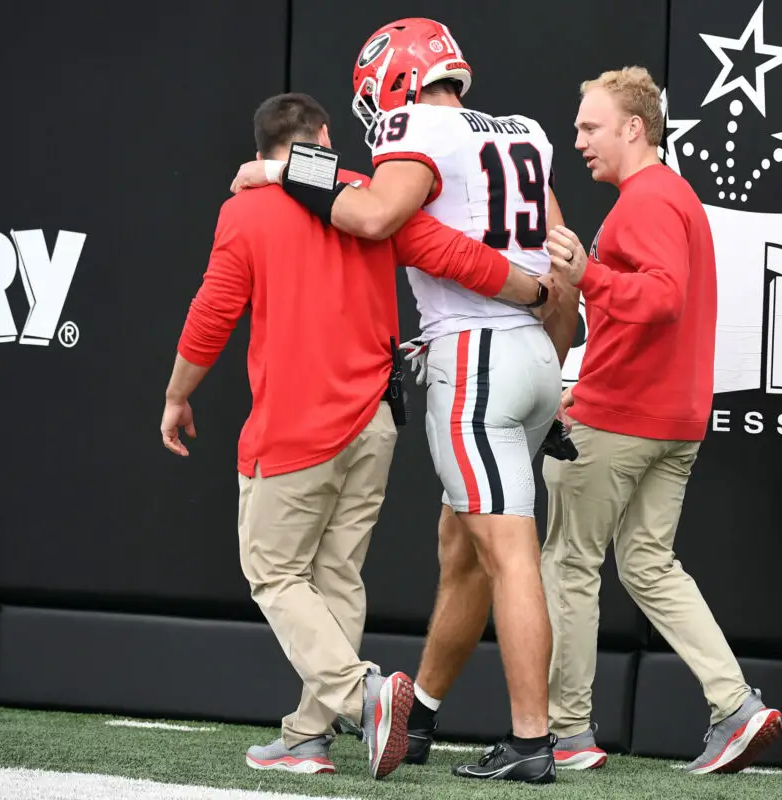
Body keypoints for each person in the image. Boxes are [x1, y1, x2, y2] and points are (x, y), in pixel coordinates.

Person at [161, 92, 557, 781]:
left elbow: (214, 310)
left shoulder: (247, 208)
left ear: (261, 151)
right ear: (321, 137)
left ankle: (362, 696)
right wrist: (536, 292)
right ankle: (309, 736)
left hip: (293, 423)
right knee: (337, 576)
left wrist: (177, 394)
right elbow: (456, 255)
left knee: (276, 573)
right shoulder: (368, 198)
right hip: (374, 422)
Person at [540, 66, 782, 775]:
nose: (578, 139)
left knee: (569, 564)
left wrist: (586, 274)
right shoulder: (672, 196)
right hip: (674, 421)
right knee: (648, 564)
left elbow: (662, 300)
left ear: (633, 128)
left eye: (590, 127)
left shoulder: (646, 201)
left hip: (618, 419)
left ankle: (569, 735)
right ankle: (734, 704)